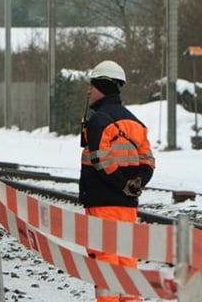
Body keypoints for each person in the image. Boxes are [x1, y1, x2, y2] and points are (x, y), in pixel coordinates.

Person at [79, 60, 156, 302]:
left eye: (92, 85)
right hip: (128, 206)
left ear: (103, 86)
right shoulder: (136, 123)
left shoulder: (99, 121)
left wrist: (120, 184)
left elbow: (102, 160)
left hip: (103, 204)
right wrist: (136, 184)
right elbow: (148, 160)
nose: (88, 91)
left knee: (106, 263)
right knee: (127, 262)